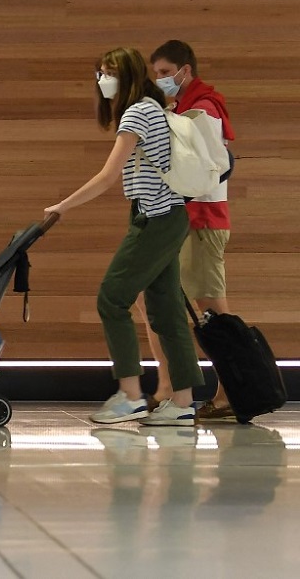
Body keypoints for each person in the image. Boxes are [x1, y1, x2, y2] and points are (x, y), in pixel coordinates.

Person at [44, 47, 204, 426]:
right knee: (166, 311)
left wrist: (61, 207)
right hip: (168, 215)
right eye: (100, 72)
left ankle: (130, 395)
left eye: (108, 72)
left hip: (156, 219)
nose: (103, 80)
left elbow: (108, 175)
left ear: (127, 74)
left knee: (112, 298)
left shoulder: (137, 112)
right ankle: (182, 403)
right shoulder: (152, 107)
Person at [139, 39, 238, 421]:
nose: (160, 80)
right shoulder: (182, 108)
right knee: (152, 301)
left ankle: (231, 389)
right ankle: (167, 387)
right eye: (157, 74)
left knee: (211, 308)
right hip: (183, 219)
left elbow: (212, 169)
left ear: (186, 70)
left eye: (165, 73)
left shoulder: (203, 110)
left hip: (202, 219)